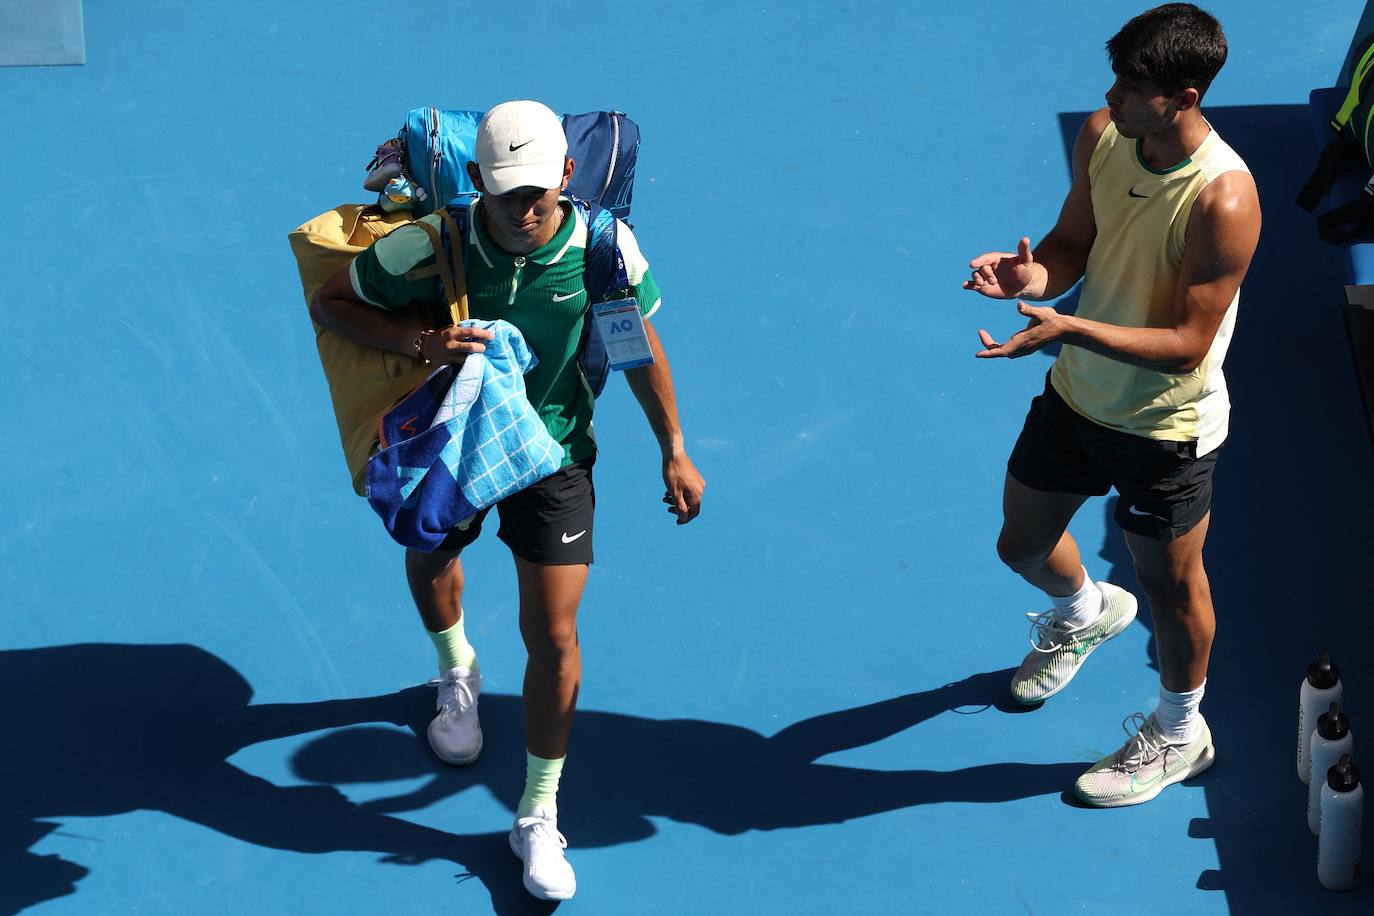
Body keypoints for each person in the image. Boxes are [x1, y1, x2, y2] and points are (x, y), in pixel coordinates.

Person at [311, 99, 706, 899]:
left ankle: (537, 813)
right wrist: (419, 342)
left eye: (538, 193)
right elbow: (334, 303)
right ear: (476, 186)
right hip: (457, 441)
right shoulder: (435, 241)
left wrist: (675, 448)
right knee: (429, 565)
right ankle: (456, 672)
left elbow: (637, 345)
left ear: (566, 175)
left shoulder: (604, 247)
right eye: (504, 196)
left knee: (555, 638)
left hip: (554, 454)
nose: (524, 212)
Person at [962, 4, 1260, 807]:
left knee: (1170, 585)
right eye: (1116, 77)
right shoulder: (1103, 133)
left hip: (1166, 429)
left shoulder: (1224, 200)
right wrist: (1029, 281)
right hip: (1078, 398)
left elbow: (1190, 341)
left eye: (1134, 86)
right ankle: (1086, 611)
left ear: (1185, 96)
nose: (1113, 96)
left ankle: (1178, 731)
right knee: (1022, 544)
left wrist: (1066, 330)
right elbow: (1070, 244)